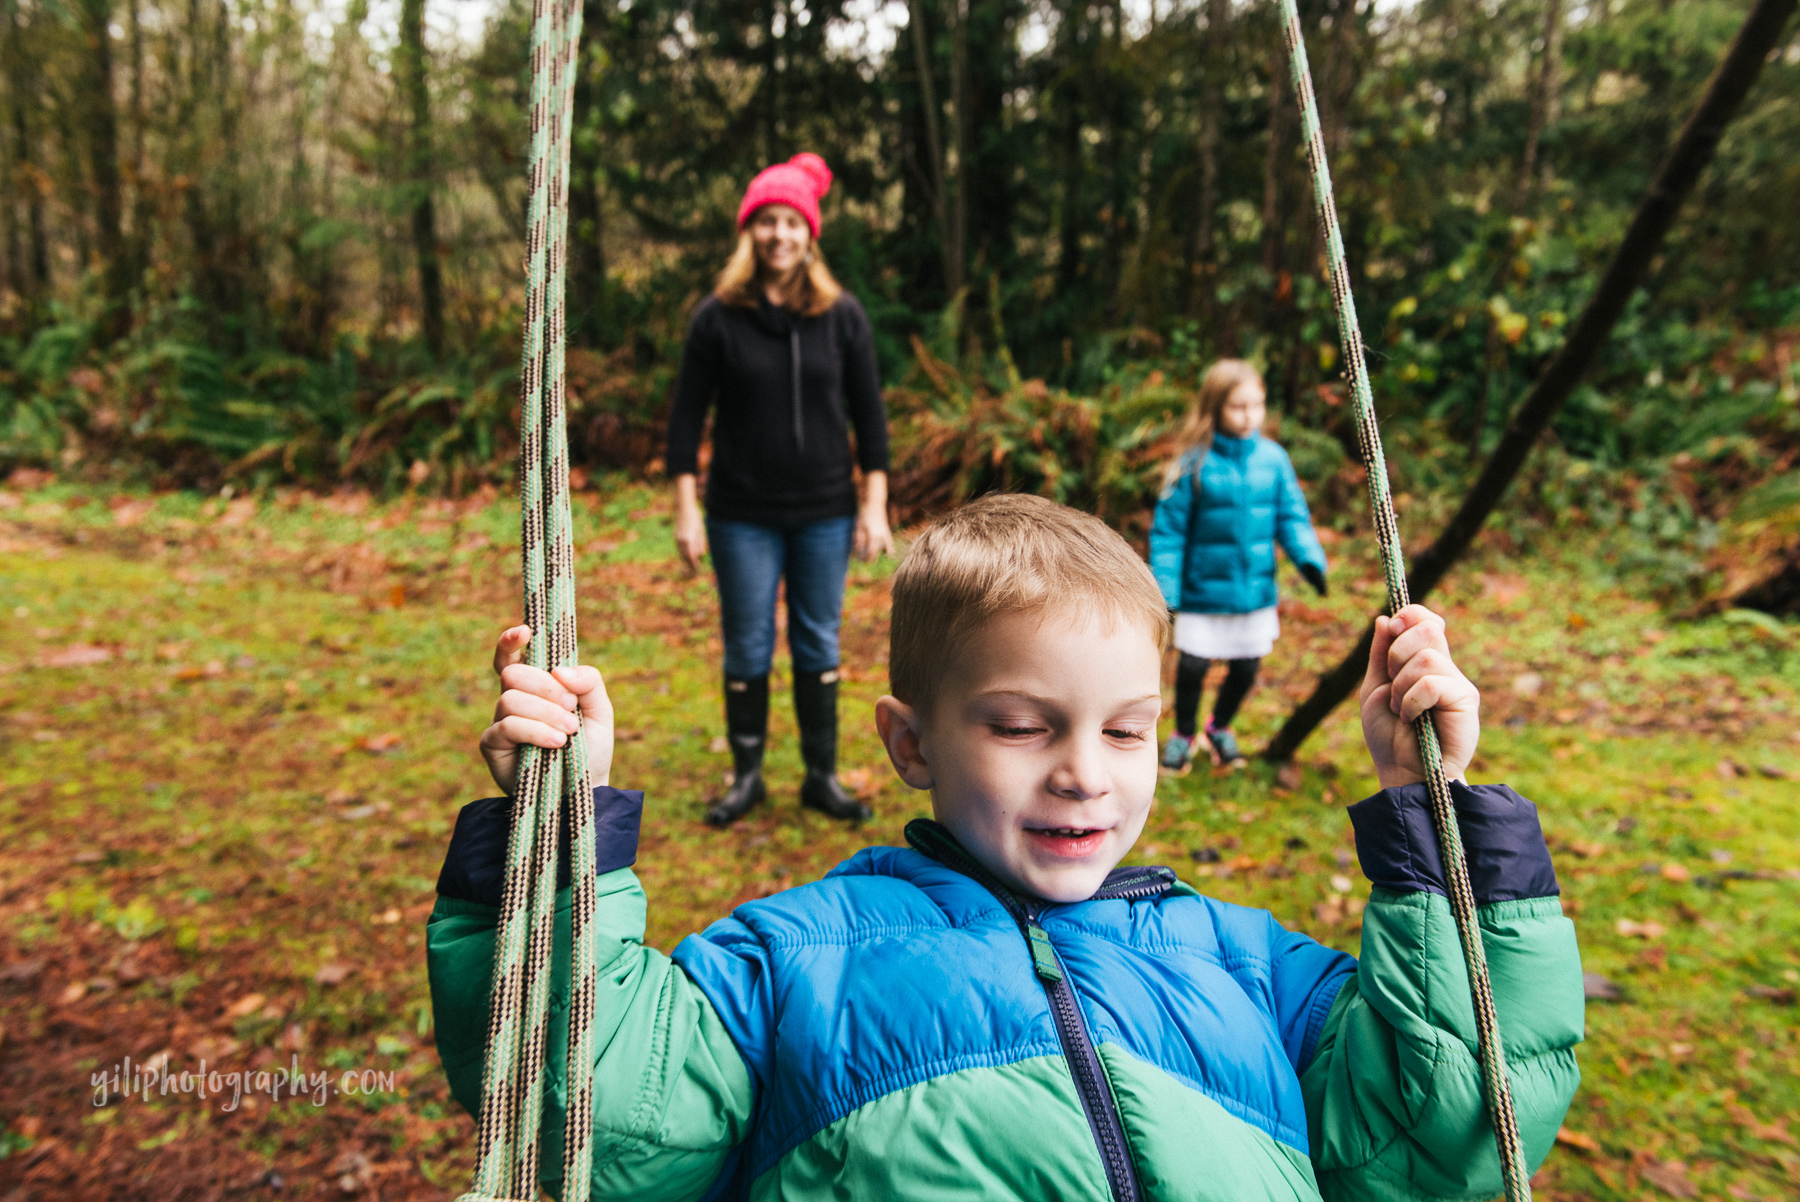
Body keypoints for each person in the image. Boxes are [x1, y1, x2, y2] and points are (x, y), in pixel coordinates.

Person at [432, 492, 1584, 1201]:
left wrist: (1433, 809)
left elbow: (1449, 1129)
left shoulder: (1248, 968)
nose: (1084, 767)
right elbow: (595, 1117)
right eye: (1024, 725)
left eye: (1128, 729)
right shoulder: (791, 958)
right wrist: (557, 826)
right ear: (911, 740)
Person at [664, 152, 894, 828]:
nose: (779, 235)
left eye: (791, 222)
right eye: (767, 221)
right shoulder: (717, 318)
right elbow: (684, 422)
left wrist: (875, 502)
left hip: (825, 510)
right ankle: (748, 776)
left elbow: (870, 415)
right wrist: (685, 511)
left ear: (809, 233)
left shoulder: (842, 317)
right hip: (742, 515)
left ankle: (820, 776)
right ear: (749, 232)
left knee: (820, 640)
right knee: (748, 644)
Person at [1148, 359, 1329, 770]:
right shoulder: (1192, 464)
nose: (1250, 416)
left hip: (1254, 590)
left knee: (1246, 667)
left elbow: (1291, 516)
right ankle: (1183, 733)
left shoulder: (1274, 460)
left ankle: (1220, 726)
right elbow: (1169, 533)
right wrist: (1166, 589)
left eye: (1257, 405)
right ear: (1215, 407)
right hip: (1201, 590)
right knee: (1192, 667)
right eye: (1238, 407)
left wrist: (1309, 560)